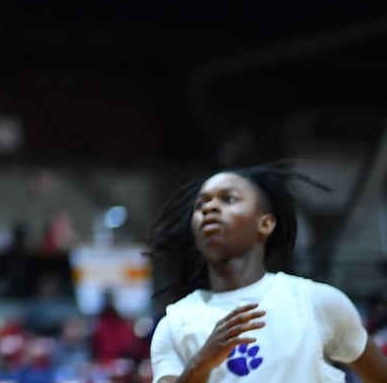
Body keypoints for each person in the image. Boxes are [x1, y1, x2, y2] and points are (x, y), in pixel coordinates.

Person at [144, 161, 387, 383]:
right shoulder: (175, 322)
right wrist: (201, 363)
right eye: (201, 204)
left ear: (265, 224)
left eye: (228, 199)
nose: (209, 208)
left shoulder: (318, 302)